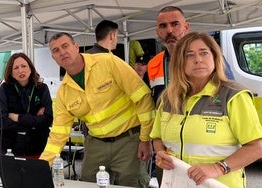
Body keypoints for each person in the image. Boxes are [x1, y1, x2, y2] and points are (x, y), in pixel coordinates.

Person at [39, 32, 155, 187]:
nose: (62, 52)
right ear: (54, 58)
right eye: (56, 51)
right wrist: (42, 166)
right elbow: (58, 133)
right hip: (95, 145)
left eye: (65, 46)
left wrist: (145, 139)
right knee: (88, 184)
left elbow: (143, 97)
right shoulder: (64, 92)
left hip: (128, 141)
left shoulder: (107, 62)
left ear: (76, 47)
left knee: (131, 184)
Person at [150, 32, 262, 188]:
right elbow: (157, 138)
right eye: (189, 55)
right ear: (179, 62)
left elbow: (257, 147)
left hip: (219, 184)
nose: (198, 59)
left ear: (215, 58)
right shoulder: (168, 98)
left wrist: (217, 168)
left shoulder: (233, 95)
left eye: (204, 53)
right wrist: (160, 153)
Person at [87, 20, 151, 188]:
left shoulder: (82, 64)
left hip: (95, 141)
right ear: (113, 35)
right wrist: (145, 138)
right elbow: (144, 99)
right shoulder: (114, 62)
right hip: (127, 141)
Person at [148, 6, 235, 104]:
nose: (169, 30)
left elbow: (229, 92)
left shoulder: (208, 58)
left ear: (186, 27)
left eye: (175, 24)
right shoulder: (153, 63)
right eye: (163, 26)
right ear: (157, 32)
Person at [0, 52, 53, 158]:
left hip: (38, 145)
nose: (20, 70)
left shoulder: (42, 88)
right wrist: (33, 123)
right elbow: (2, 121)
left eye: (23, 66)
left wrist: (17, 117)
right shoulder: (5, 89)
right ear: (11, 72)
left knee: (37, 174)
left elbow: (48, 119)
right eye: (16, 68)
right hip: (11, 147)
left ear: (30, 68)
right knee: (11, 174)